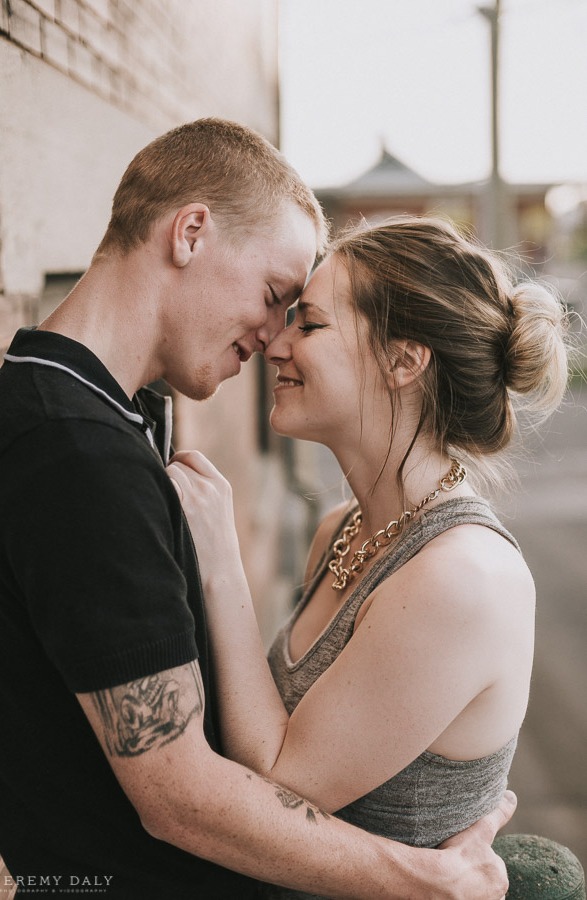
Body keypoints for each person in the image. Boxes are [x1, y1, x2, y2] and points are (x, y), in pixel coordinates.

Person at [0, 120, 514, 900]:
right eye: (275, 298)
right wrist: (429, 880)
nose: (274, 338)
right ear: (190, 232)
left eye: (302, 316)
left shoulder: (107, 418)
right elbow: (180, 796)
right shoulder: (75, 450)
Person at [167, 216, 570, 900]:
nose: (275, 343)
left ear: (403, 361)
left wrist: (219, 560)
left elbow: (279, 783)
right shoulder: (341, 531)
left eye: (311, 325)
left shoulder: (459, 578)